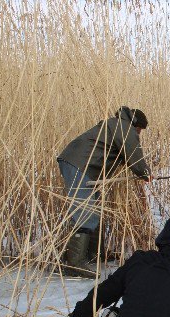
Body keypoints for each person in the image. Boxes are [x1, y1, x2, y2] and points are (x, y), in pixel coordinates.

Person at [57, 106, 152, 278]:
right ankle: (74, 263)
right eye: (139, 130)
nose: (139, 134)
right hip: (79, 165)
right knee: (85, 212)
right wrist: (145, 173)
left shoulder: (116, 126)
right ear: (135, 124)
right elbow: (133, 154)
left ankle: (95, 254)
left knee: (96, 210)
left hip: (83, 166)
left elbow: (122, 154)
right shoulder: (123, 127)